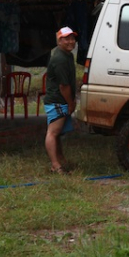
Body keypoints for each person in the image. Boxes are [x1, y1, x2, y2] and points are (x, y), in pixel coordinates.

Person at [44, 27, 78, 174]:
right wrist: (71, 103)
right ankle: (55, 165)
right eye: (66, 39)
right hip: (57, 100)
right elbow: (63, 86)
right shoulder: (59, 59)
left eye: (72, 38)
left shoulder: (67, 55)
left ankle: (61, 160)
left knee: (58, 133)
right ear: (59, 41)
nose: (70, 42)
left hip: (61, 99)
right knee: (53, 132)